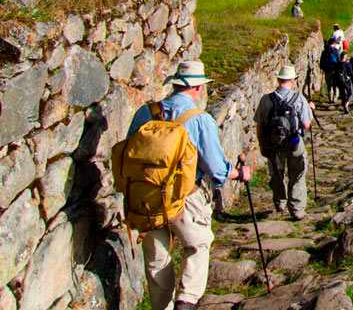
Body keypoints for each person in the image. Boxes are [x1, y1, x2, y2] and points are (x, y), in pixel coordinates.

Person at [125, 61, 250, 310]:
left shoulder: (145, 113)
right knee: (198, 244)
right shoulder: (199, 120)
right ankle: (187, 300)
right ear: (198, 88)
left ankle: (163, 306)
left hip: (147, 195)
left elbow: (130, 150)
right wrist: (238, 174)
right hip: (185, 195)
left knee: (157, 257)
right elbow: (216, 169)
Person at [254, 65, 314, 221]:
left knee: (276, 173)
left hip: (273, 144)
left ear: (279, 79)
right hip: (294, 143)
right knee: (298, 174)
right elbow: (307, 125)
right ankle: (297, 209)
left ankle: (280, 202)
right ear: (293, 81)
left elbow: (260, 125)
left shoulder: (266, 100)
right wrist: (310, 110)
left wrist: (262, 145)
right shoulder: (299, 99)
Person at [319, 37, 341, 102]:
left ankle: (330, 98)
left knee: (329, 84)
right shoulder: (336, 50)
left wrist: (322, 68)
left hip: (327, 70)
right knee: (335, 84)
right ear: (333, 43)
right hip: (335, 69)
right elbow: (338, 60)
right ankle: (335, 97)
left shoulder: (324, 51)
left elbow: (321, 61)